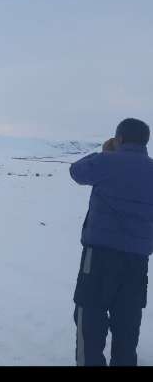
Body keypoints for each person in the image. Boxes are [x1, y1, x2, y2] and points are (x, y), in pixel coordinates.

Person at [69, 118, 153, 366]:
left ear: (120, 139)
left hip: (98, 258)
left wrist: (105, 152)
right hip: (137, 261)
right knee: (127, 322)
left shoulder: (107, 161)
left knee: (90, 317)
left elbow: (76, 171)